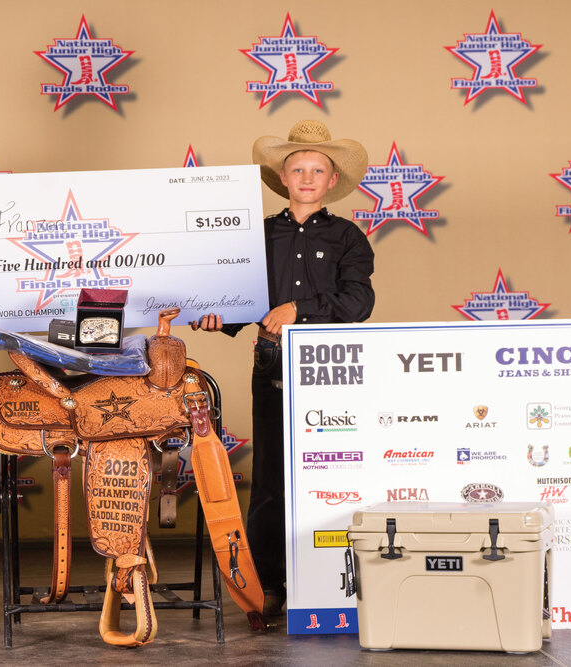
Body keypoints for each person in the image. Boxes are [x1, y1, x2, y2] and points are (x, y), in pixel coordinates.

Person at [191, 120, 374, 616]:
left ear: (332, 180)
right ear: (283, 177)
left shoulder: (348, 237)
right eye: (298, 168)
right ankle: (269, 583)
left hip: (330, 363)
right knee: (271, 474)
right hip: (272, 358)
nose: (308, 176)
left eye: (318, 169)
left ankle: (335, 578)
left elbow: (358, 301)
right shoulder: (259, 235)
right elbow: (244, 299)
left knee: (336, 466)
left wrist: (300, 308)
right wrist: (217, 317)